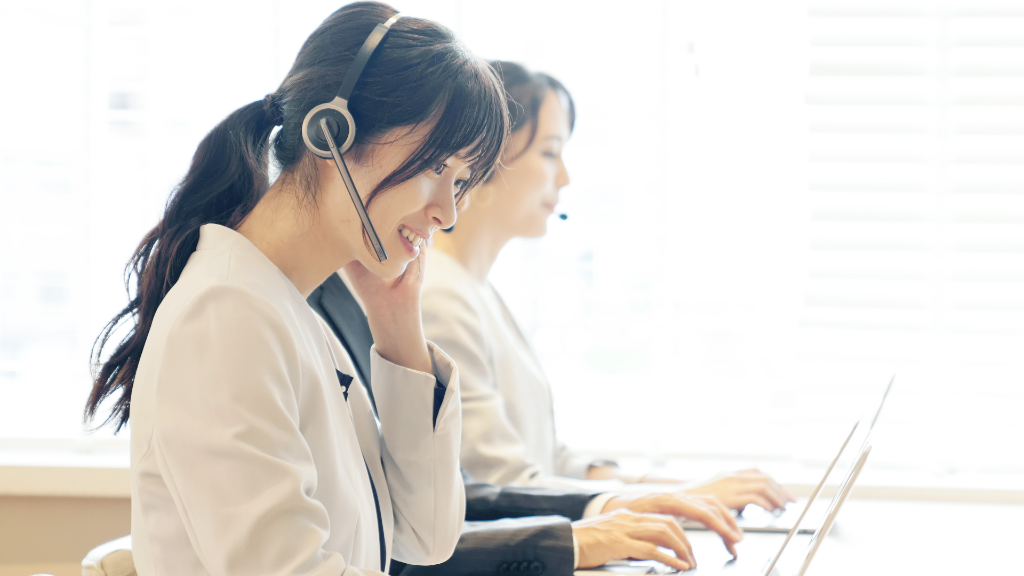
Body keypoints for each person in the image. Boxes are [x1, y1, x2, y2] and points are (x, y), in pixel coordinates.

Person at [84, 3, 508, 575]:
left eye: (461, 183)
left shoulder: (291, 310)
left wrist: (397, 323)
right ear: (331, 133)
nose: (447, 213)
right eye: (436, 168)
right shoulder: (227, 314)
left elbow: (424, 536)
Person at [421, 61, 796, 513]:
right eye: (548, 152)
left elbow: (544, 455)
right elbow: (505, 480)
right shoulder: (442, 296)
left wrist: (674, 485)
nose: (564, 177)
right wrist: (679, 498)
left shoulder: (475, 289)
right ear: (483, 158)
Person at [309, 271, 744, 574]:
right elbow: (395, 540)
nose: (445, 209)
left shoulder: (359, 291)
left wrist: (613, 502)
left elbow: (440, 499)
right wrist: (575, 536)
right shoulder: (427, 292)